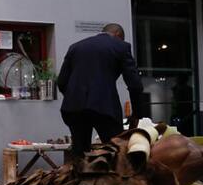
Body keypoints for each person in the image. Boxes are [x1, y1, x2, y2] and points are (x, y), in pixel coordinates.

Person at [57, 23, 144, 157]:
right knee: (115, 151)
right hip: (104, 107)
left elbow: (62, 82)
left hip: (74, 108)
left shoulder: (75, 47)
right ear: (118, 35)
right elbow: (135, 85)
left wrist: (74, 97)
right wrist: (137, 114)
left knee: (79, 152)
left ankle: (80, 168)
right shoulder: (121, 46)